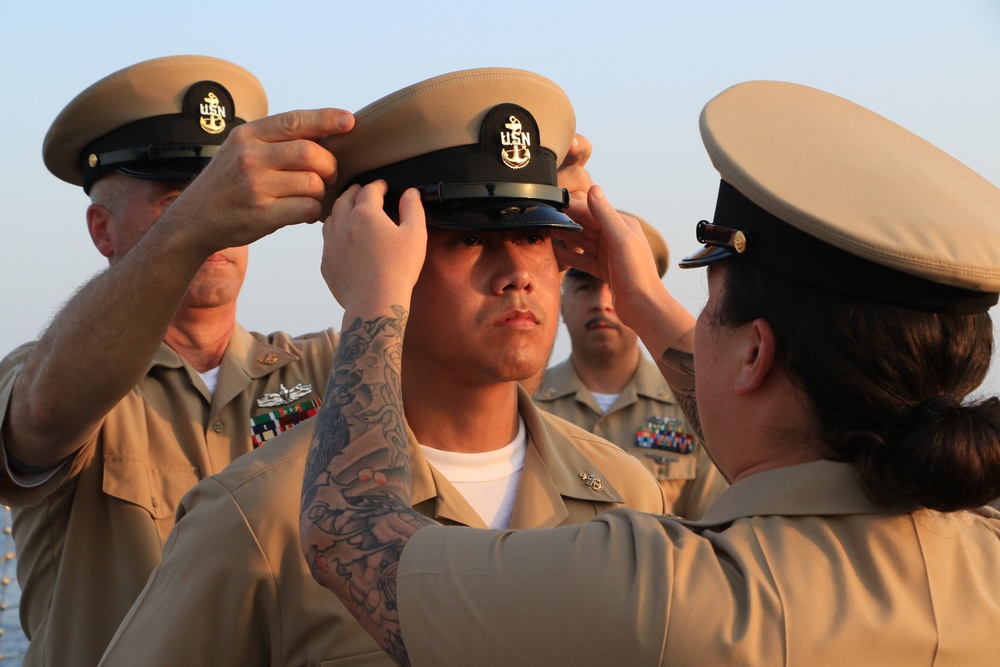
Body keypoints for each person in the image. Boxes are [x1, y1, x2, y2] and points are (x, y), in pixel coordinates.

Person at [300, 79, 1000, 666]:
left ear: (754, 354)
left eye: (709, 305)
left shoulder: (668, 591)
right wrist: (643, 300)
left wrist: (375, 299)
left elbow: (348, 533)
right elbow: (769, 438)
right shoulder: (984, 553)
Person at [97, 68, 665, 667]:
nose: (517, 272)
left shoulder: (625, 493)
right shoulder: (256, 517)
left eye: (534, 236)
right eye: (468, 240)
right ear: (379, 253)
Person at [0, 55, 354, 667]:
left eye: (227, 199)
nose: (215, 225)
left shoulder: (322, 368)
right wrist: (198, 219)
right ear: (102, 231)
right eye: (175, 202)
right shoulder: (57, 373)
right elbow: (43, 412)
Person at [535, 213, 727, 518]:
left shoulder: (696, 406)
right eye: (585, 288)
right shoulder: (525, 407)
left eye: (615, 285)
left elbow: (715, 525)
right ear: (561, 302)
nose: (602, 302)